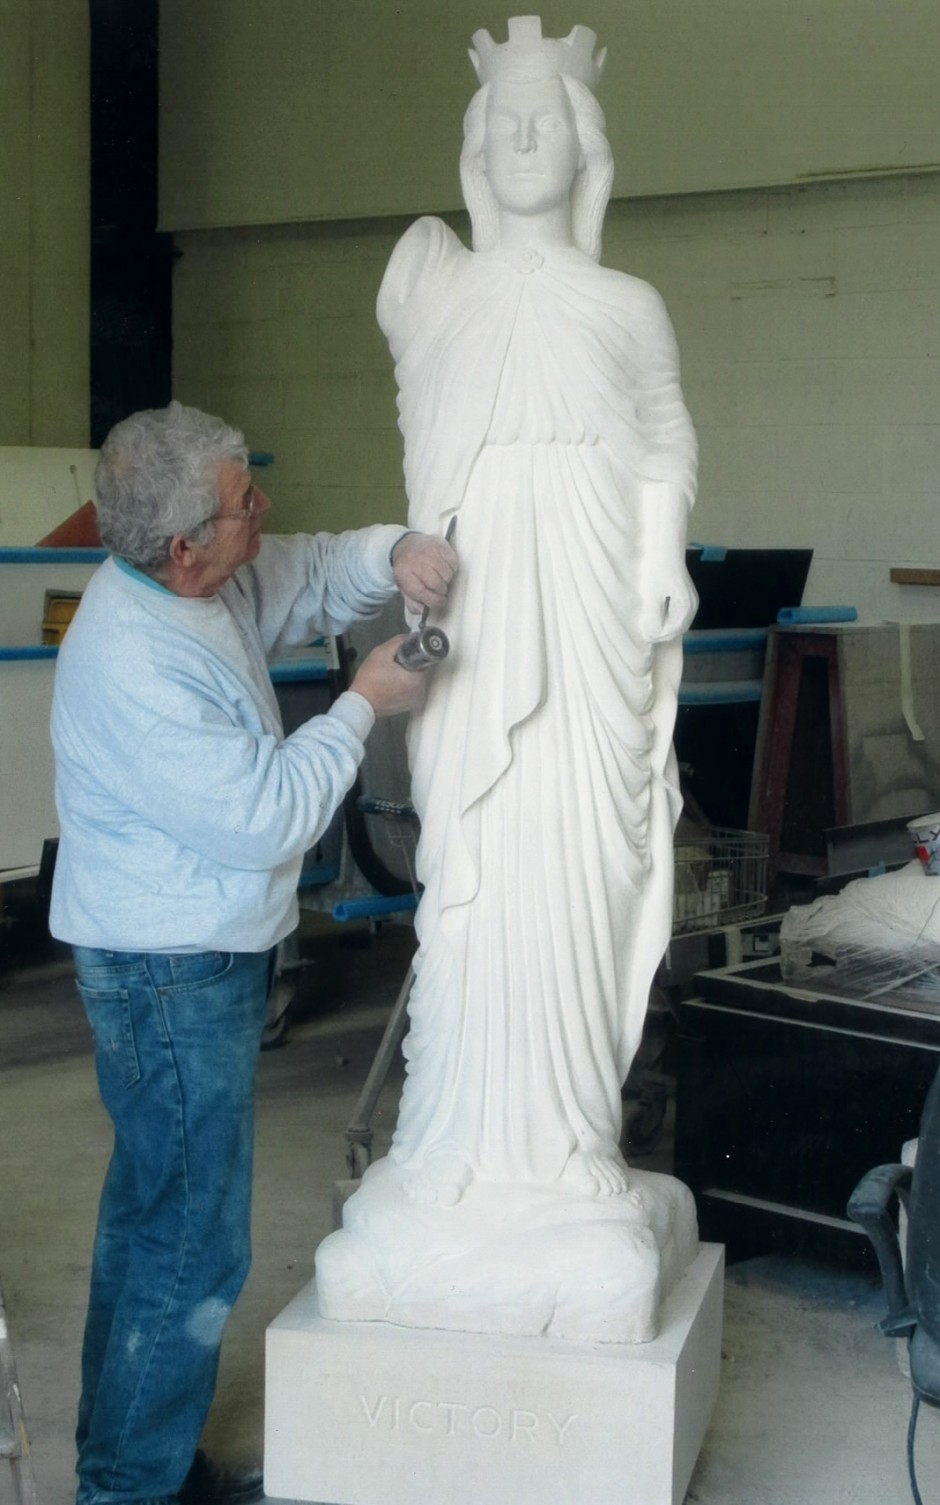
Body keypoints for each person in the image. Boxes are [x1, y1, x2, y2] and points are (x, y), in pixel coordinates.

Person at [48, 400, 456, 1505]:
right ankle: (130, 1486)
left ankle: (132, 1458)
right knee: (188, 1238)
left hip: (184, 954)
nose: (262, 512)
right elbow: (269, 814)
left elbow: (314, 570)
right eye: (243, 504)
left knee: (154, 1219)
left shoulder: (200, 583)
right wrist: (364, 703)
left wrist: (398, 551)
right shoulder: (133, 659)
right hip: (167, 969)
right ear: (182, 545)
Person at [375, 18, 698, 1208]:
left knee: (575, 869)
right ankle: (452, 1144)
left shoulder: (626, 302)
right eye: (504, 115)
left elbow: (661, 432)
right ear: (474, 143)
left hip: (588, 606)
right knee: (475, 872)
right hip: (477, 616)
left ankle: (566, 1145)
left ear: (583, 147)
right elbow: (428, 306)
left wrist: (662, 543)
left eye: (546, 116)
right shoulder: (434, 283)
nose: (522, 132)